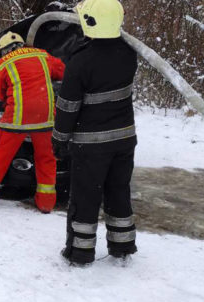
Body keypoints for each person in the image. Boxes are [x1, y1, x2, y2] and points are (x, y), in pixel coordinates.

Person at [54, 0, 139, 265]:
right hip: (124, 140)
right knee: (118, 192)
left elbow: (67, 107)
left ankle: (79, 252)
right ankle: (122, 246)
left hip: (91, 145)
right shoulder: (128, 53)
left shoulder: (81, 61)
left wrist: (58, 139)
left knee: (86, 197)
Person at [0, 32, 65, 214]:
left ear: (2, 50)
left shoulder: (3, 64)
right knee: (47, 158)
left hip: (16, 118)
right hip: (45, 117)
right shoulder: (42, 55)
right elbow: (62, 72)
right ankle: (46, 203)